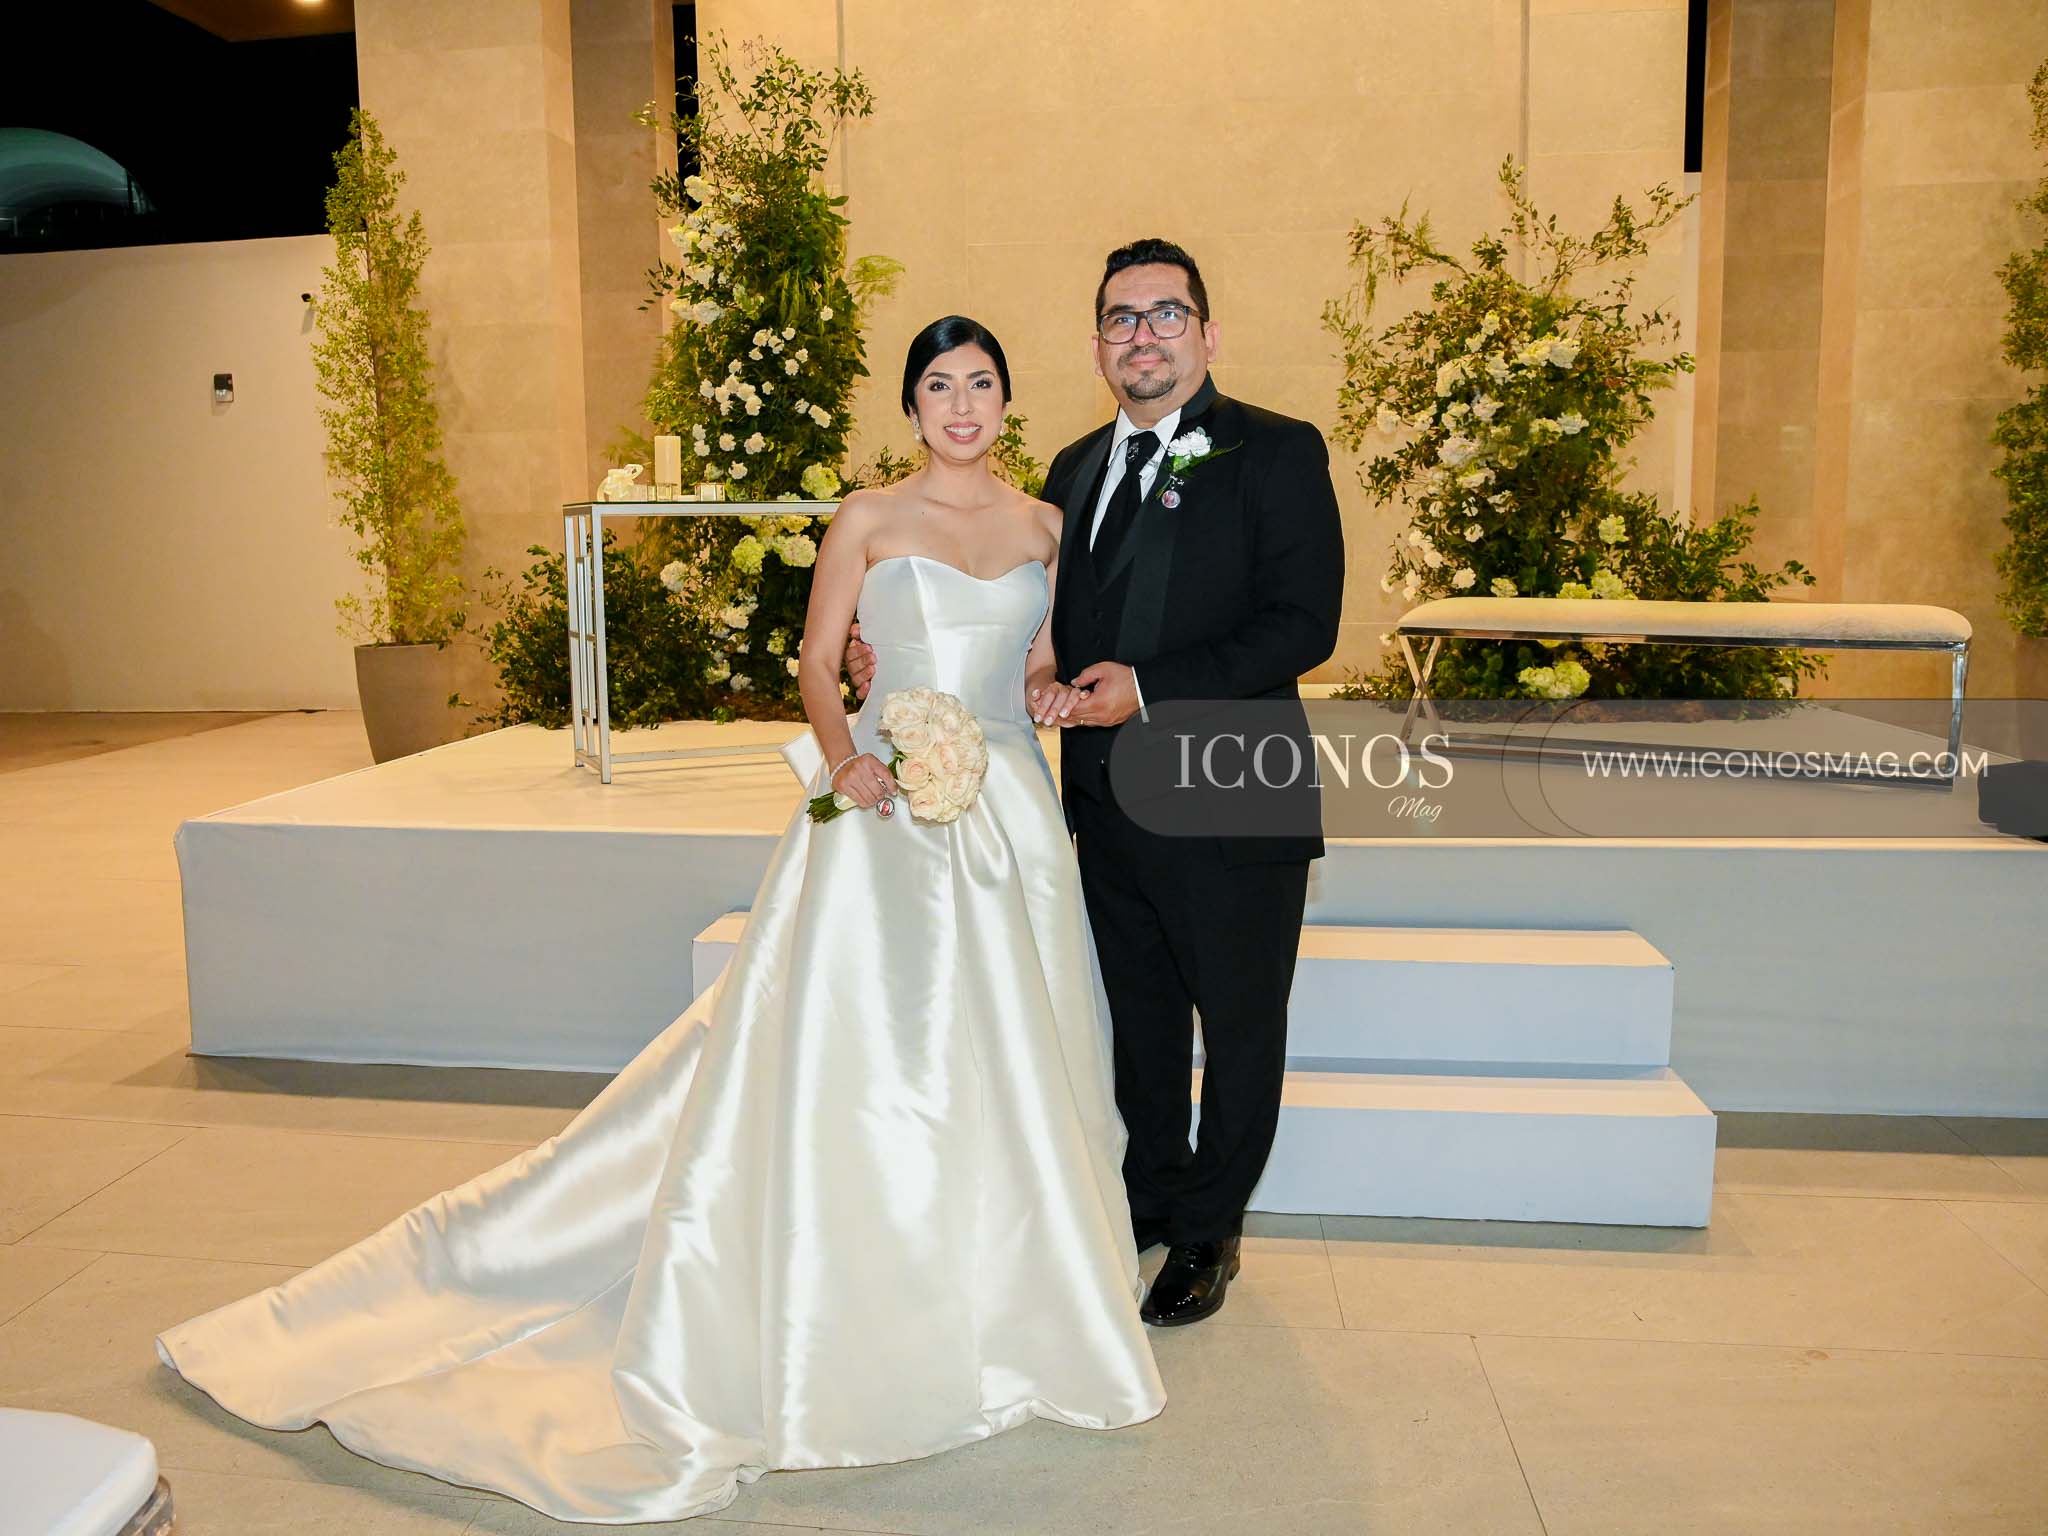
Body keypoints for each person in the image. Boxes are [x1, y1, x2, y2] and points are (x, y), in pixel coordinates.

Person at [154, 316, 1165, 1526]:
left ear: (1005, 400)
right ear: (910, 407)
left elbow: (1037, 660)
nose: (961, 405)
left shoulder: (1045, 527)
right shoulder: (866, 518)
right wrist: (846, 758)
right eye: (938, 385)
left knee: (1017, 1055)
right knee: (870, 1059)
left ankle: (1009, 1290)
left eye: (980, 384)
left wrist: (1045, 694)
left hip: (1009, 822)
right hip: (883, 808)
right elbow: (815, 662)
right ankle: (851, 1282)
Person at [849, 239, 1345, 1327]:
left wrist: (1150, 689)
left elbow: (1304, 625)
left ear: (1207, 334)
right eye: (1122, 318)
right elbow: (1039, 626)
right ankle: (1150, 1197)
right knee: (1141, 1021)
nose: (1143, 336)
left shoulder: (1274, 450)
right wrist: (896, 651)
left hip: (1231, 790)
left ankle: (1210, 1229)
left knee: (1240, 1024)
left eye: (1166, 314)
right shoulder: (1073, 471)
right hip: (1105, 801)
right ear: (1097, 346)